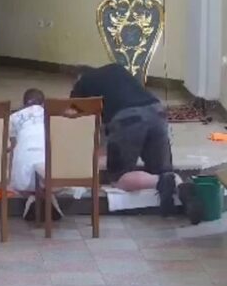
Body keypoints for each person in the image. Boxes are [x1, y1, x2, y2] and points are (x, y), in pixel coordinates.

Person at [70, 63, 203, 224]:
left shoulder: (83, 83)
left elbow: (77, 120)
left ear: (79, 77)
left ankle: (160, 182)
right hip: (157, 111)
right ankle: (182, 189)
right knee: (163, 170)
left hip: (128, 119)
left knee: (120, 177)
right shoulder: (116, 69)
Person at [9, 88, 63, 221]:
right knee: (53, 175)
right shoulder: (54, 115)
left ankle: (33, 197)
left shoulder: (14, 117)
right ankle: (47, 197)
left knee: (18, 179)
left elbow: (13, 146)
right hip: (52, 171)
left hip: (25, 170)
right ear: (43, 104)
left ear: (23, 104)